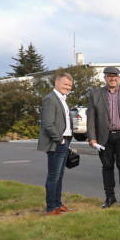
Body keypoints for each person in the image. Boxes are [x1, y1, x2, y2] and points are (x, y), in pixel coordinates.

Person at [87, 67, 120, 208]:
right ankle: (110, 198)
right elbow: (91, 118)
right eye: (109, 76)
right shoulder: (95, 94)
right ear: (105, 78)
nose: (112, 78)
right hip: (104, 137)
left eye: (115, 76)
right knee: (107, 167)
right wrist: (92, 137)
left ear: (119, 78)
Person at [37, 72, 76, 215]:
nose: (68, 87)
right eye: (65, 84)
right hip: (56, 143)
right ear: (56, 83)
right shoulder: (50, 99)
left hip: (64, 142)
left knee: (59, 176)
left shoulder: (63, 99)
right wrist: (60, 140)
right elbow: (48, 124)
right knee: (54, 176)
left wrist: (67, 141)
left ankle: (58, 204)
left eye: (70, 85)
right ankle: (51, 207)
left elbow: (65, 123)